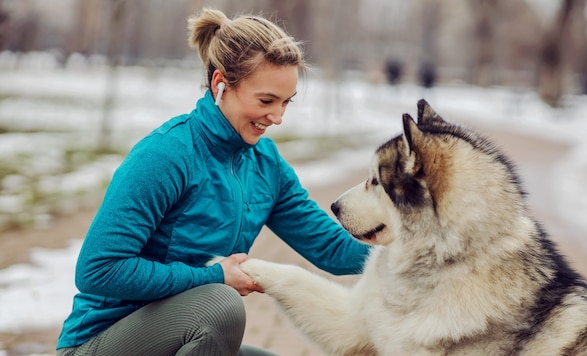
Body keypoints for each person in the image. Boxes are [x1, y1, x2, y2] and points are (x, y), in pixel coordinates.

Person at [55, 7, 370, 356]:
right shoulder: (167, 155)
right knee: (220, 306)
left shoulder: (266, 165)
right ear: (221, 84)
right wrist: (214, 277)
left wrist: (422, 248)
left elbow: (334, 249)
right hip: (101, 341)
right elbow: (98, 270)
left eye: (285, 103)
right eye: (266, 101)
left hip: (179, 337)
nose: (278, 117)